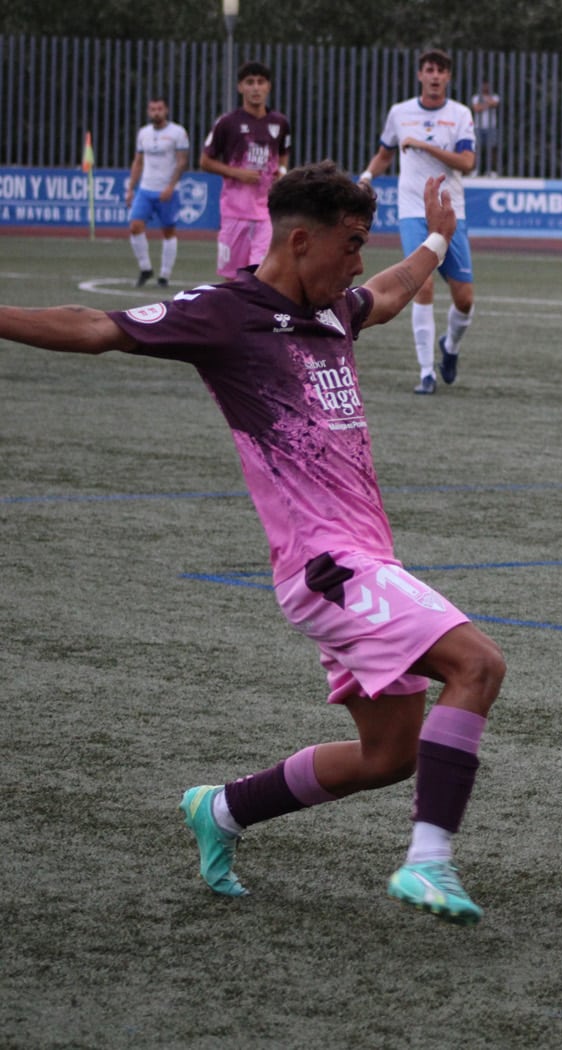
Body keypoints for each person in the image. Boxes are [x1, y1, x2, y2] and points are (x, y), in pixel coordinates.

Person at [0, 161, 506, 926]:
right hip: (327, 565)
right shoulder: (226, 313)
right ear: (301, 241)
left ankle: (224, 809)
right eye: (351, 244)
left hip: (364, 559)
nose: (359, 262)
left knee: (390, 755)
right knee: (477, 663)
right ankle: (428, 862)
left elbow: (396, 290)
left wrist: (438, 234)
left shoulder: (333, 308)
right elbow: (95, 325)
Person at [360, 48, 478, 395]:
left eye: (442, 71)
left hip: (449, 211)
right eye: (430, 70)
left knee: (465, 299)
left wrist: (425, 146)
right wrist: (366, 177)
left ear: (449, 78)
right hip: (414, 210)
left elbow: (467, 162)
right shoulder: (400, 113)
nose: (435, 76)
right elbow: (385, 154)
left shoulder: (459, 113)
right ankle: (426, 372)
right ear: (420, 75)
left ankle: (450, 348)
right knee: (421, 285)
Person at [199, 61, 292, 280]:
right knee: (233, 278)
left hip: (266, 213)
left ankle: (258, 315)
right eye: (250, 82)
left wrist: (282, 171)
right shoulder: (227, 123)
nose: (256, 88)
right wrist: (236, 173)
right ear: (240, 87)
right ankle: (233, 314)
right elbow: (205, 161)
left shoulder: (280, 123)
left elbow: (283, 153)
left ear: (268, 87)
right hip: (235, 213)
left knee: (262, 275)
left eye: (261, 82)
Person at [124, 96, 189, 288]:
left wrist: (171, 186)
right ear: (148, 112)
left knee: (168, 231)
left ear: (166, 110)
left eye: (159, 109)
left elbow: (182, 161)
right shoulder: (143, 133)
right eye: (152, 109)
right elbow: (138, 161)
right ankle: (145, 268)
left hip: (167, 190)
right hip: (145, 189)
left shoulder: (177, 132)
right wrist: (130, 188)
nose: (156, 113)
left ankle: (164, 275)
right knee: (135, 226)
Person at [470, 80, 501, 177]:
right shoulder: (476, 97)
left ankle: (491, 170)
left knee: (491, 149)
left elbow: (494, 104)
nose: (485, 87)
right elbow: (476, 109)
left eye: (487, 85)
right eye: (484, 85)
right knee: (477, 149)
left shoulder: (495, 96)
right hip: (478, 127)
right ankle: (476, 170)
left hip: (491, 127)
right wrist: (488, 104)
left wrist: (483, 104)